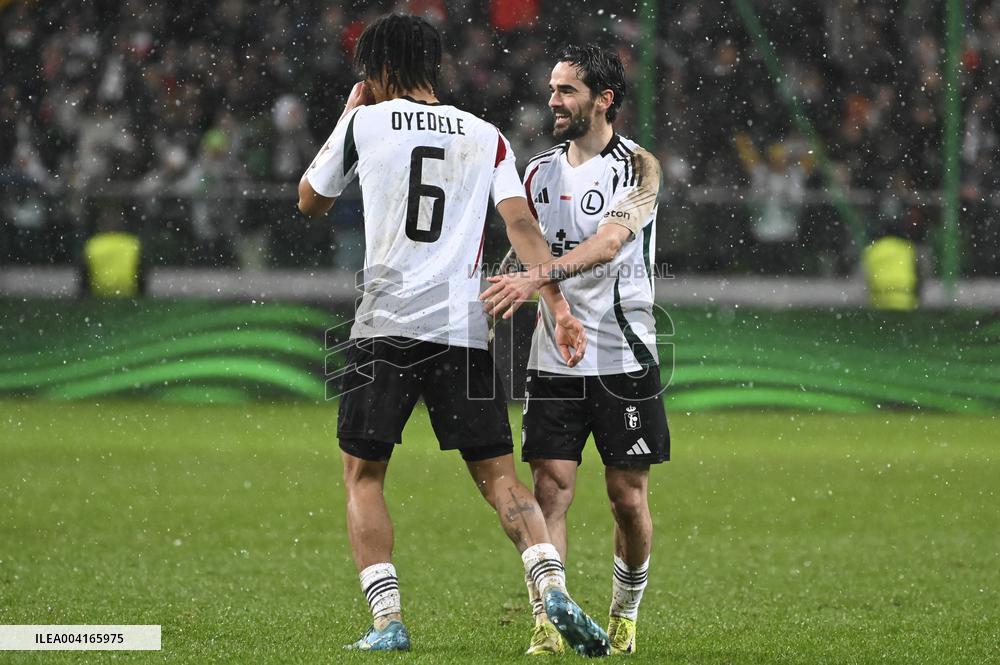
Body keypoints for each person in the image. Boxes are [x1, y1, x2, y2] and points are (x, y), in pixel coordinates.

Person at [296, 14, 608, 656]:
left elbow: (310, 201)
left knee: (364, 476)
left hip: (384, 324)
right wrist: (555, 300)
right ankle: (550, 588)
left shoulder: (365, 121)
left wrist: (346, 116)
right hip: (464, 332)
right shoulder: (486, 135)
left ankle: (388, 622)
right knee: (500, 479)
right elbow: (521, 226)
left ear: (379, 69)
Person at [480, 44, 670, 656]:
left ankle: (626, 610)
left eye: (567, 91)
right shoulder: (537, 173)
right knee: (551, 487)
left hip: (624, 355)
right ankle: (550, 620)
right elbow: (533, 253)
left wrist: (534, 280)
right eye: (553, 89)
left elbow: (610, 243)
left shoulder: (641, 167)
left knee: (627, 497)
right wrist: (556, 309)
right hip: (554, 356)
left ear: (603, 99)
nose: (553, 101)